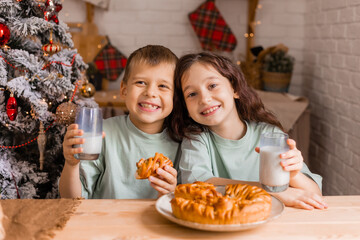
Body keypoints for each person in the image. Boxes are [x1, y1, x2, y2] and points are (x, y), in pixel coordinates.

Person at [168, 52, 328, 210]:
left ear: (235, 89)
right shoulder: (196, 138)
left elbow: (315, 195)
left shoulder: (270, 135)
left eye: (212, 86)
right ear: (186, 108)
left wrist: (293, 175)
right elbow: (197, 185)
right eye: (192, 94)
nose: (204, 98)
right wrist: (267, 191)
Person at [59, 45, 180, 199]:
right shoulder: (102, 134)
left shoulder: (182, 142)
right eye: (141, 82)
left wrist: (169, 193)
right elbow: (72, 199)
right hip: (105, 220)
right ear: (124, 90)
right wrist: (71, 164)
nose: (150, 92)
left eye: (163, 86)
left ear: (175, 97)